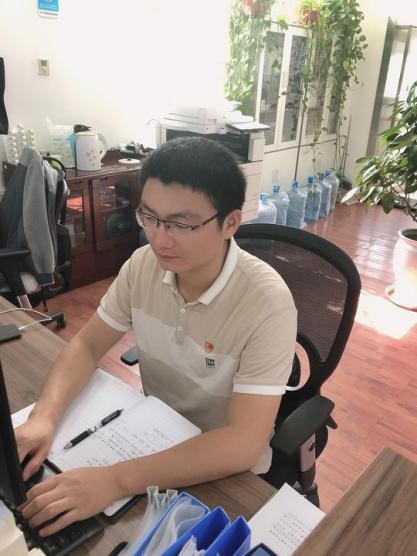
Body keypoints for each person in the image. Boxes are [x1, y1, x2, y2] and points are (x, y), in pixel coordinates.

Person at [16, 136, 297, 536]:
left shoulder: (268, 304)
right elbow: (87, 345)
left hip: (223, 473)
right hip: (151, 437)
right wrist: (43, 418)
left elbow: (242, 444)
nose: (160, 239)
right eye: (150, 217)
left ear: (230, 223)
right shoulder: (142, 266)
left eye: (182, 224)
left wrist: (114, 480)